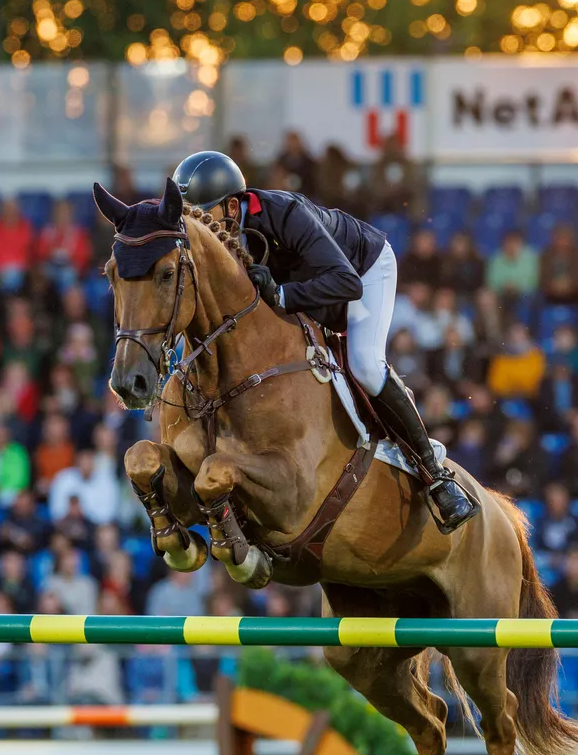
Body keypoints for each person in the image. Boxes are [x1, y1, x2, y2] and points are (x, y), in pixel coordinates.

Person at [168, 150, 477, 532]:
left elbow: (345, 282)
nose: (195, 226)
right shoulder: (222, 237)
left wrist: (282, 295)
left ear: (233, 206)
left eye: (203, 214)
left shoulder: (285, 214)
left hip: (364, 270)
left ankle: (435, 475)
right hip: (309, 283)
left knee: (364, 364)